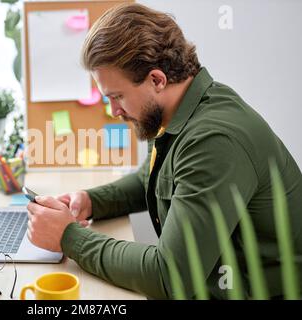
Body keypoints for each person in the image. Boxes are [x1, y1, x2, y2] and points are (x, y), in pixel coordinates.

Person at [26, 3, 302, 299]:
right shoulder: (177, 112)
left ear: (157, 79)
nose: (114, 110)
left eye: (117, 96)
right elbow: (151, 177)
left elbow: (170, 275)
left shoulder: (213, 140)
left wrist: (69, 237)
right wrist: (91, 201)